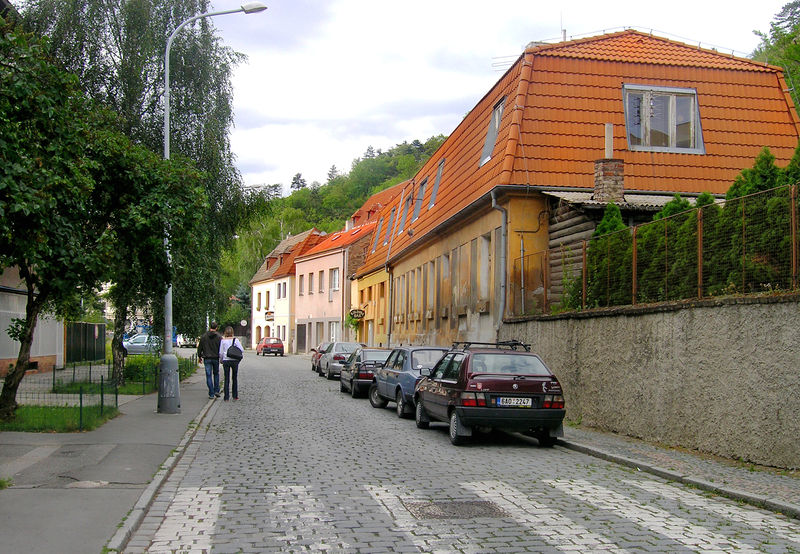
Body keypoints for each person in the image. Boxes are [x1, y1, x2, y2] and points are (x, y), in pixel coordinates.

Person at [197, 321, 222, 399]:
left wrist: (199, 356)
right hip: (215, 358)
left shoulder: (204, 336)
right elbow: (221, 348)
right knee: (216, 374)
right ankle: (216, 390)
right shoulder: (219, 337)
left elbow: (200, 347)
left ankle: (211, 393)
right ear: (216, 328)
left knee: (208, 375)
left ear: (210, 327)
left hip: (207, 358)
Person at [219, 326, 244, 401]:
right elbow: (241, 349)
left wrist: (221, 359)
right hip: (234, 360)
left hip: (226, 360)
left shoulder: (223, 341)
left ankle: (226, 397)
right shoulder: (235, 340)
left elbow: (220, 352)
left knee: (226, 378)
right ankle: (235, 396)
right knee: (234, 378)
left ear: (225, 333)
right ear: (232, 332)